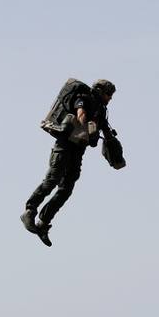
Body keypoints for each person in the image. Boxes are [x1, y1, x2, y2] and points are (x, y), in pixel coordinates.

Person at [22, 79, 119, 247]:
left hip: (78, 151)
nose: (110, 98)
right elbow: (80, 113)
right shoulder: (84, 98)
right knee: (52, 179)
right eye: (108, 94)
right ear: (100, 91)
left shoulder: (101, 111)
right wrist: (85, 129)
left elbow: (105, 130)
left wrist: (113, 147)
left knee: (66, 189)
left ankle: (43, 223)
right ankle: (30, 211)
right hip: (64, 146)